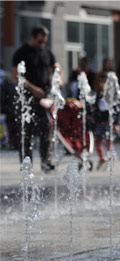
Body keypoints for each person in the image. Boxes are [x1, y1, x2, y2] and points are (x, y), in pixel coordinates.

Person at [12, 25, 59, 172]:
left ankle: (46, 162)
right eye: (40, 41)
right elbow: (17, 76)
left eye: (44, 41)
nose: (42, 44)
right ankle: (27, 164)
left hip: (45, 99)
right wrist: (32, 89)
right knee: (26, 132)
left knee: (47, 130)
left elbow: (56, 68)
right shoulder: (21, 53)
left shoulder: (47, 53)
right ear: (32, 37)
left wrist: (59, 80)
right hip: (27, 98)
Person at [88, 72, 119, 171]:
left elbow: (116, 110)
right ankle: (102, 158)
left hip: (108, 122)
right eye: (102, 82)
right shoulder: (96, 95)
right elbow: (93, 109)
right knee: (98, 142)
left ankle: (110, 160)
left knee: (109, 142)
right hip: (99, 122)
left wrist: (116, 123)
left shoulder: (111, 96)